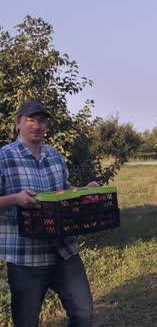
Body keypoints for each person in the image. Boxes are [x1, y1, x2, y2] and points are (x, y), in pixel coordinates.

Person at [0, 100, 98, 326]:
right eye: (30, 120)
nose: (37, 125)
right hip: (26, 257)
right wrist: (16, 199)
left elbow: (64, 190)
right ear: (18, 124)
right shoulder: (4, 157)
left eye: (42, 120)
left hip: (63, 250)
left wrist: (84, 191)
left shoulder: (53, 154)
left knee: (83, 313)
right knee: (26, 321)